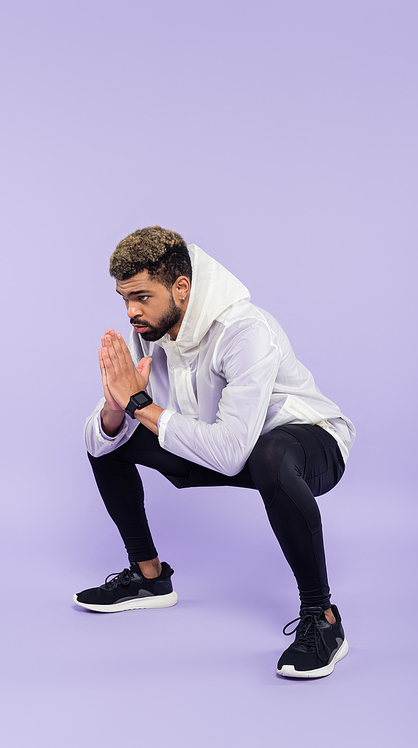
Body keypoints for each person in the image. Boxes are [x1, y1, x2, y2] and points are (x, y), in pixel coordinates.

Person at [74, 225, 355, 679]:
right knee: (107, 438)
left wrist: (139, 404)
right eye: (124, 298)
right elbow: (102, 439)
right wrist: (115, 409)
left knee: (269, 454)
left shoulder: (246, 331)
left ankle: (323, 619)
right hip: (223, 441)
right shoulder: (152, 328)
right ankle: (149, 577)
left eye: (142, 297)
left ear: (180, 288)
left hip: (308, 442)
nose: (131, 312)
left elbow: (229, 453)